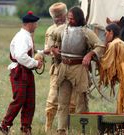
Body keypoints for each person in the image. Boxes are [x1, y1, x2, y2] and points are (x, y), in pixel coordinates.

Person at [49, 6, 105, 135]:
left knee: (81, 102)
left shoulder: (87, 32)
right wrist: (53, 48)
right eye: (68, 18)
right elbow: (52, 35)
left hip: (79, 68)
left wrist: (90, 55)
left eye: (72, 18)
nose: (69, 20)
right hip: (63, 68)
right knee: (62, 103)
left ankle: (82, 130)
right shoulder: (62, 29)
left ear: (78, 18)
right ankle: (61, 131)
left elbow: (100, 46)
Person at [0, 11, 42, 135]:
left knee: (30, 101)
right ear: (29, 24)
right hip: (20, 72)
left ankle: (26, 128)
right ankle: (4, 124)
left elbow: (29, 52)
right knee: (19, 99)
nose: (36, 26)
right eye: (35, 23)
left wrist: (44, 52)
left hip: (26, 71)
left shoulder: (26, 35)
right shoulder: (22, 37)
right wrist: (35, 63)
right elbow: (20, 56)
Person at [43, 2, 75, 133]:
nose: (60, 19)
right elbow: (47, 48)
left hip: (73, 68)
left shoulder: (74, 27)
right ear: (53, 18)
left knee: (73, 102)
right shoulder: (50, 30)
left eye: (62, 16)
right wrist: (51, 51)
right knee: (53, 100)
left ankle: (70, 128)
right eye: (57, 17)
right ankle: (48, 129)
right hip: (56, 68)